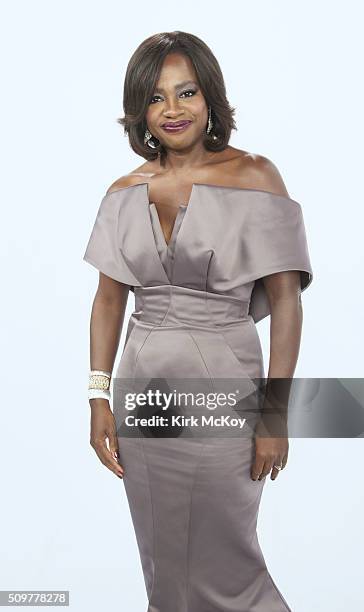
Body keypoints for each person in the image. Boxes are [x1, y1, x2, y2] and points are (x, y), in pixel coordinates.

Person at [83, 31, 313, 612]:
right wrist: (98, 399)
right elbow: (109, 300)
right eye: (157, 98)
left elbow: (286, 302)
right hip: (144, 400)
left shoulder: (256, 176)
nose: (173, 110)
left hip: (224, 396)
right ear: (141, 110)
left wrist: (274, 413)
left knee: (229, 565)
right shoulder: (122, 191)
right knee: (164, 568)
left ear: (210, 96)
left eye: (186, 92)